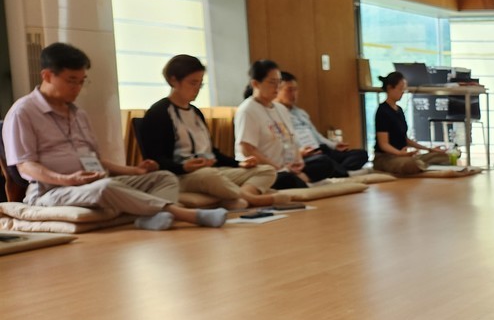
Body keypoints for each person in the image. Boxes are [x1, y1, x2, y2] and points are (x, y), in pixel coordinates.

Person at [2, 43, 227, 230]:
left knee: (164, 176)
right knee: (106, 187)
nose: (78, 88)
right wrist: (67, 179)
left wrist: (135, 171)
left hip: (92, 181)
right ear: (48, 76)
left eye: (82, 81)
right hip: (51, 191)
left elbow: (96, 159)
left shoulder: (77, 113)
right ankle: (187, 215)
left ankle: (148, 218)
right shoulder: (23, 112)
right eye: (72, 80)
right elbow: (25, 166)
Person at [139, 54, 280, 208]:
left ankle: (233, 196)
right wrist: (184, 167)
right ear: (173, 80)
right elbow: (155, 159)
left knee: (266, 170)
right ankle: (249, 197)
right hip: (181, 176)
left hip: (213, 171)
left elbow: (213, 153)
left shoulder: (195, 112)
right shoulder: (158, 113)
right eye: (193, 83)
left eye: (200, 84)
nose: (197, 89)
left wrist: (240, 164)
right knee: (209, 176)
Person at [277, 72, 368, 180]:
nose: (294, 94)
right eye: (289, 90)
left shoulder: (301, 113)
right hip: (304, 154)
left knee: (361, 154)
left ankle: (338, 171)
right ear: (277, 90)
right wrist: (301, 152)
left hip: (320, 149)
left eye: (296, 90)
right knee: (324, 161)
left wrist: (334, 145)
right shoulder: (276, 114)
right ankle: (344, 174)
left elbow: (317, 136)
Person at [233, 60, 308, 190]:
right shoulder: (247, 110)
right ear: (255, 83)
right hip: (266, 170)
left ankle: (302, 178)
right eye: (272, 82)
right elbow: (247, 149)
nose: (277, 87)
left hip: (287, 166)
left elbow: (292, 139)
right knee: (287, 179)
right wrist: (278, 168)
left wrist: (298, 161)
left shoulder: (281, 109)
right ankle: (302, 180)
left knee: (323, 162)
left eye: (279, 82)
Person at [371, 72, 450, 175]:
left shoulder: (399, 110)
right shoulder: (382, 111)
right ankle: (419, 165)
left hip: (402, 156)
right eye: (400, 89)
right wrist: (400, 154)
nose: (403, 92)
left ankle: (421, 165)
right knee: (410, 164)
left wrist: (430, 149)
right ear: (390, 88)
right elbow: (383, 144)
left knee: (444, 157)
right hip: (386, 158)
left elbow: (405, 140)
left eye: (403, 89)